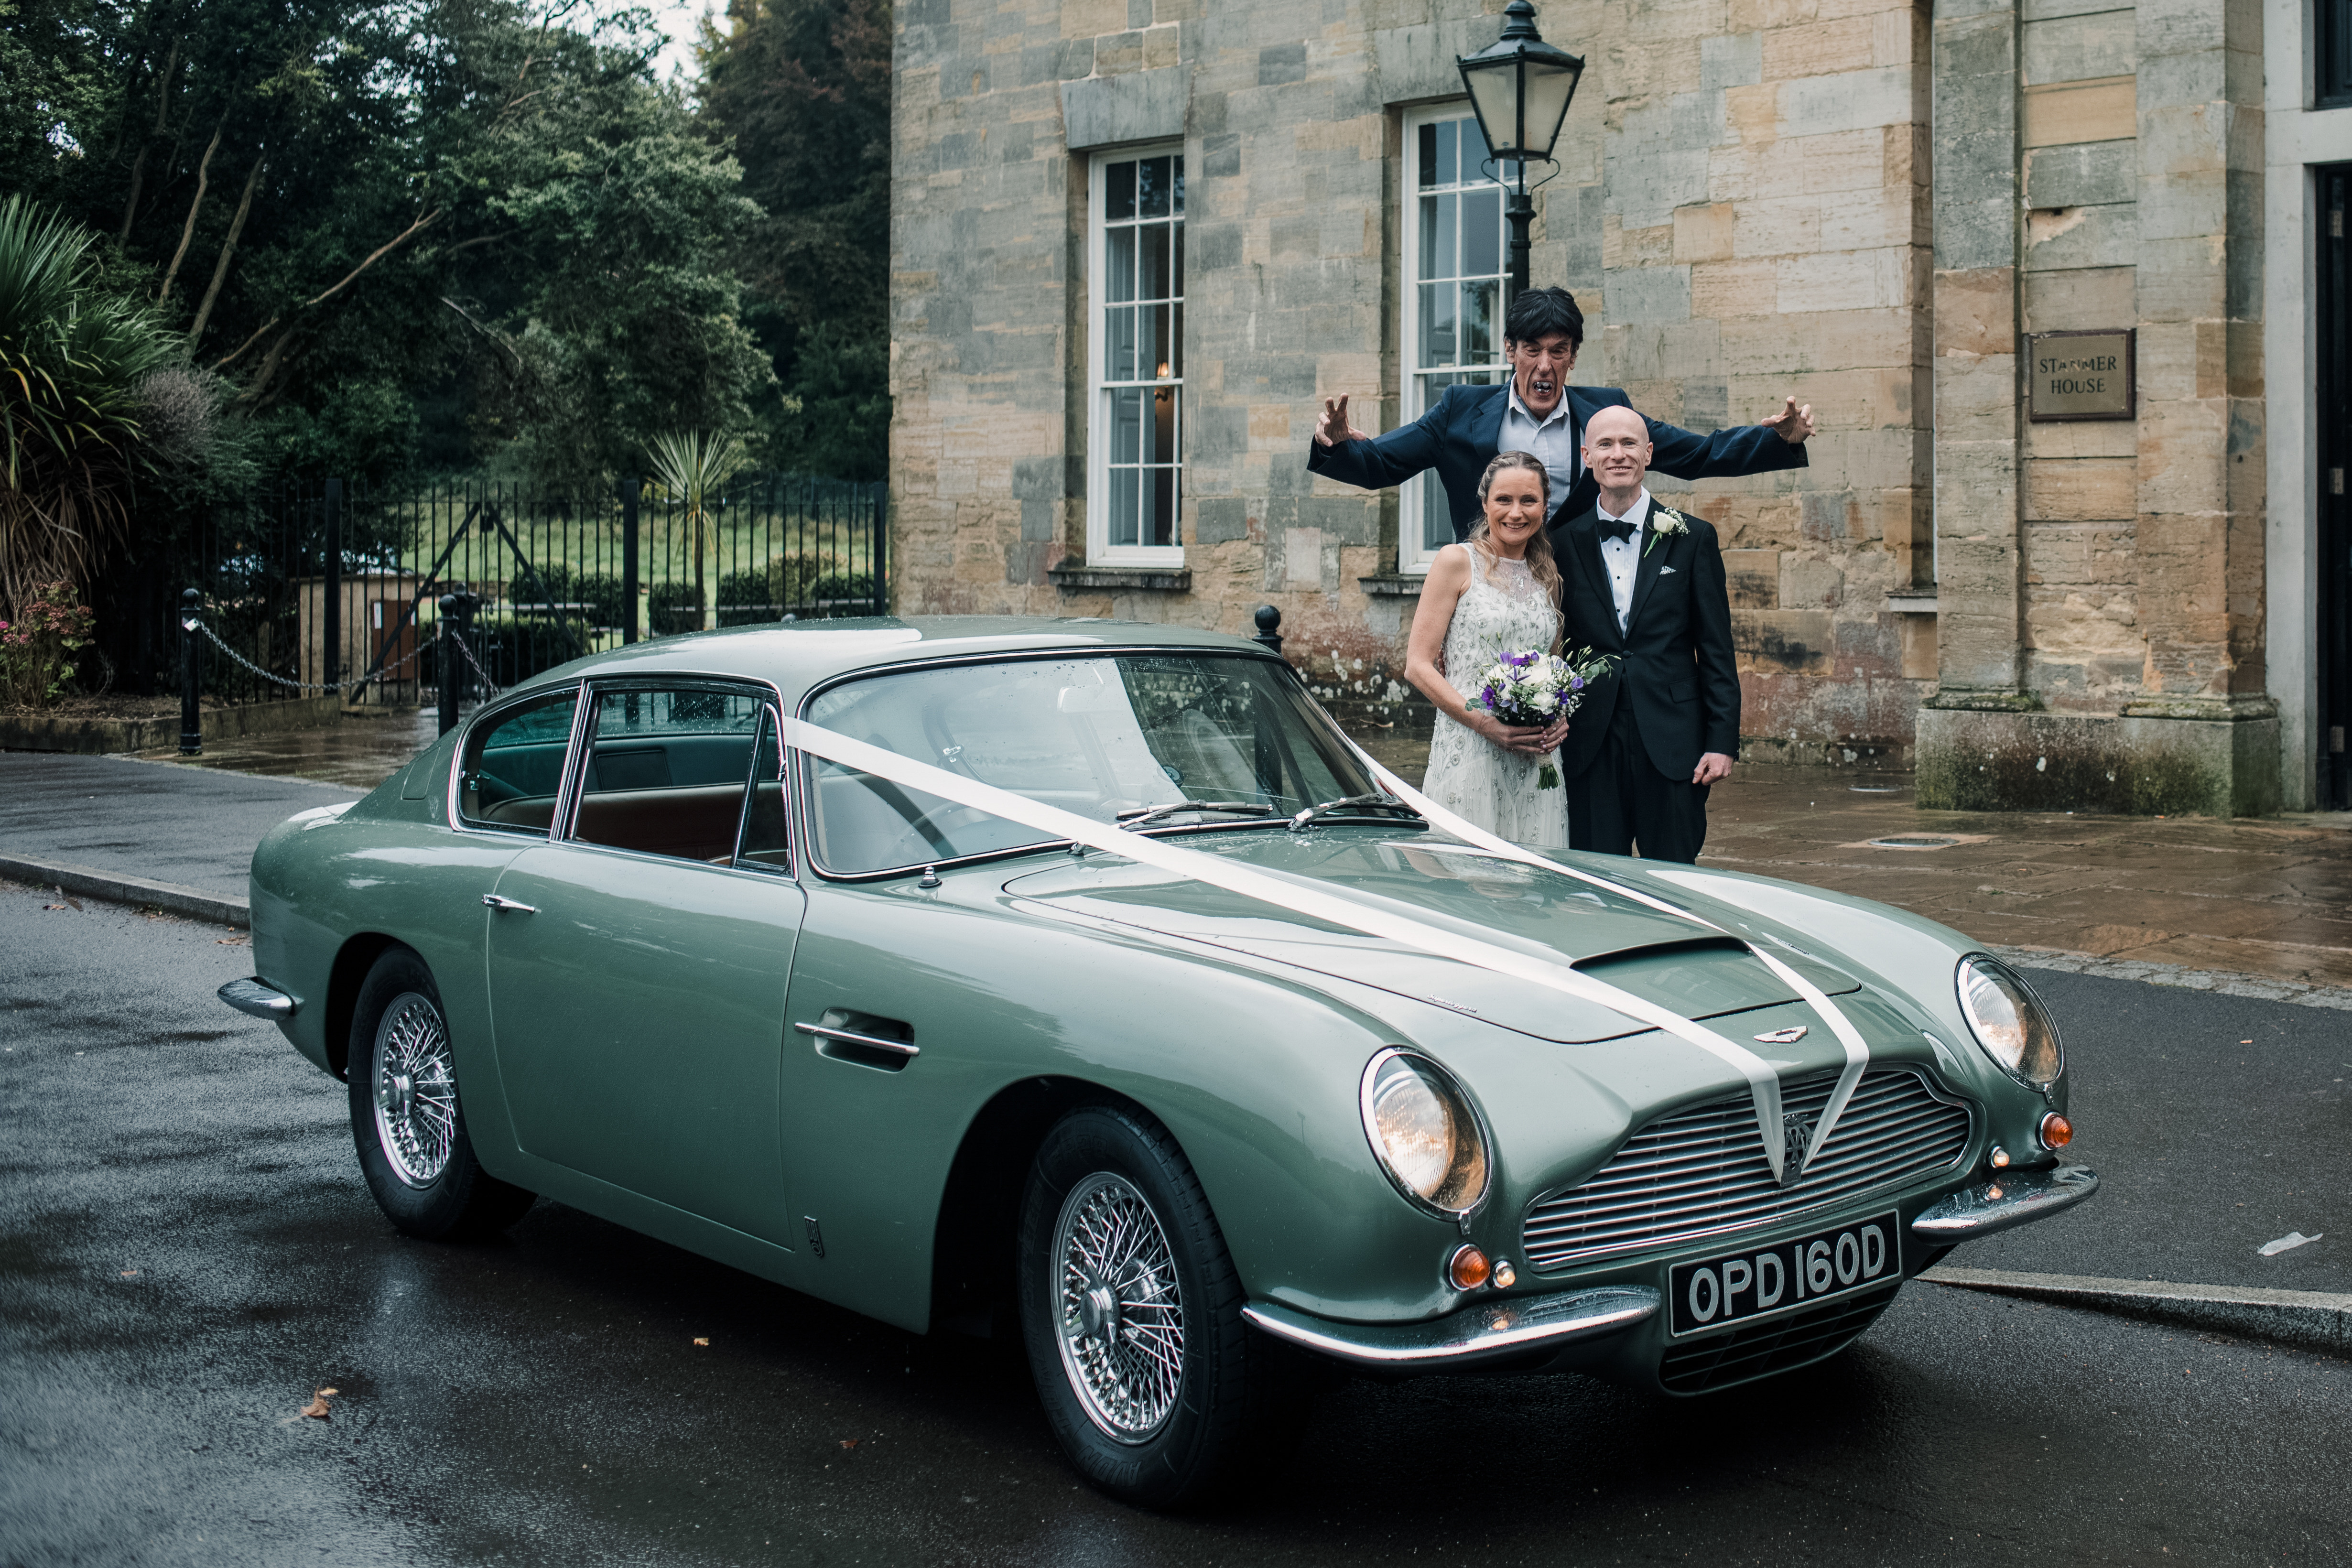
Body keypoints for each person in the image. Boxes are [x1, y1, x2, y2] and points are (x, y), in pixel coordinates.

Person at [1307, 286, 1814, 538]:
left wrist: (1779, 438)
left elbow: (1698, 454)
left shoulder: (1607, 412)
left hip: (1579, 596)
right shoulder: (1460, 411)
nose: (1544, 364)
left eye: (1558, 350)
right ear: (1509, 350)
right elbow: (1380, 465)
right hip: (1486, 586)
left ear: (1573, 355)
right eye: (1532, 349)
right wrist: (1334, 445)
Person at [1552, 405, 1737, 863]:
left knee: (1675, 875)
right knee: (1595, 875)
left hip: (1675, 740)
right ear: (1587, 457)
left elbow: (1716, 648)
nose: (1618, 455)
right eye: (1606, 445)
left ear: (1648, 454)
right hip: (1590, 739)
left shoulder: (1694, 537)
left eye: (1629, 443)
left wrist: (1721, 741)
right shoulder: (1560, 544)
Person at [1402, 451, 1572, 845]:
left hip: (1536, 754)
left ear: (1545, 506)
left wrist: (1560, 714)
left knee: (1534, 874)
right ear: (1485, 503)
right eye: (1504, 500)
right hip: (1472, 744)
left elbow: (1553, 664)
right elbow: (1418, 665)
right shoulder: (1456, 562)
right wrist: (1485, 724)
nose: (1516, 513)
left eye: (1528, 501)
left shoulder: (1547, 575)